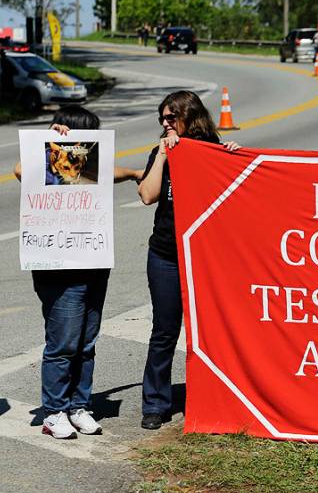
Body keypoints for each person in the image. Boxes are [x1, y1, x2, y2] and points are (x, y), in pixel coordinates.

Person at [13, 106, 142, 439]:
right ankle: (53, 411)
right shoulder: (45, 160)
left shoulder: (86, 165)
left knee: (86, 343)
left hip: (93, 262)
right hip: (59, 270)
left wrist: (132, 173)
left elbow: (106, 172)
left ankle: (77, 406)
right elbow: (19, 170)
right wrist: (50, 142)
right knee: (64, 344)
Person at [139, 91, 239, 429]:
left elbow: (237, 195)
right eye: (162, 119)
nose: (166, 123)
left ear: (189, 117)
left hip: (206, 258)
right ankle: (155, 404)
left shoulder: (213, 151)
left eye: (172, 117)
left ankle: (218, 397)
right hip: (166, 255)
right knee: (164, 331)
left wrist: (234, 158)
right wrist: (164, 158)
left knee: (216, 330)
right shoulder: (162, 152)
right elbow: (147, 195)